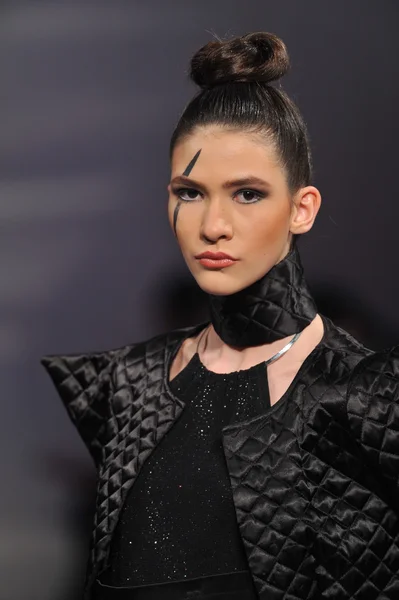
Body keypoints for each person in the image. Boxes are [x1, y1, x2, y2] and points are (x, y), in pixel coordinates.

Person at [41, 32, 399, 600]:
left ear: (302, 208)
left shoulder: (367, 398)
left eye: (248, 194)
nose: (213, 225)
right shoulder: (125, 383)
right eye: (190, 192)